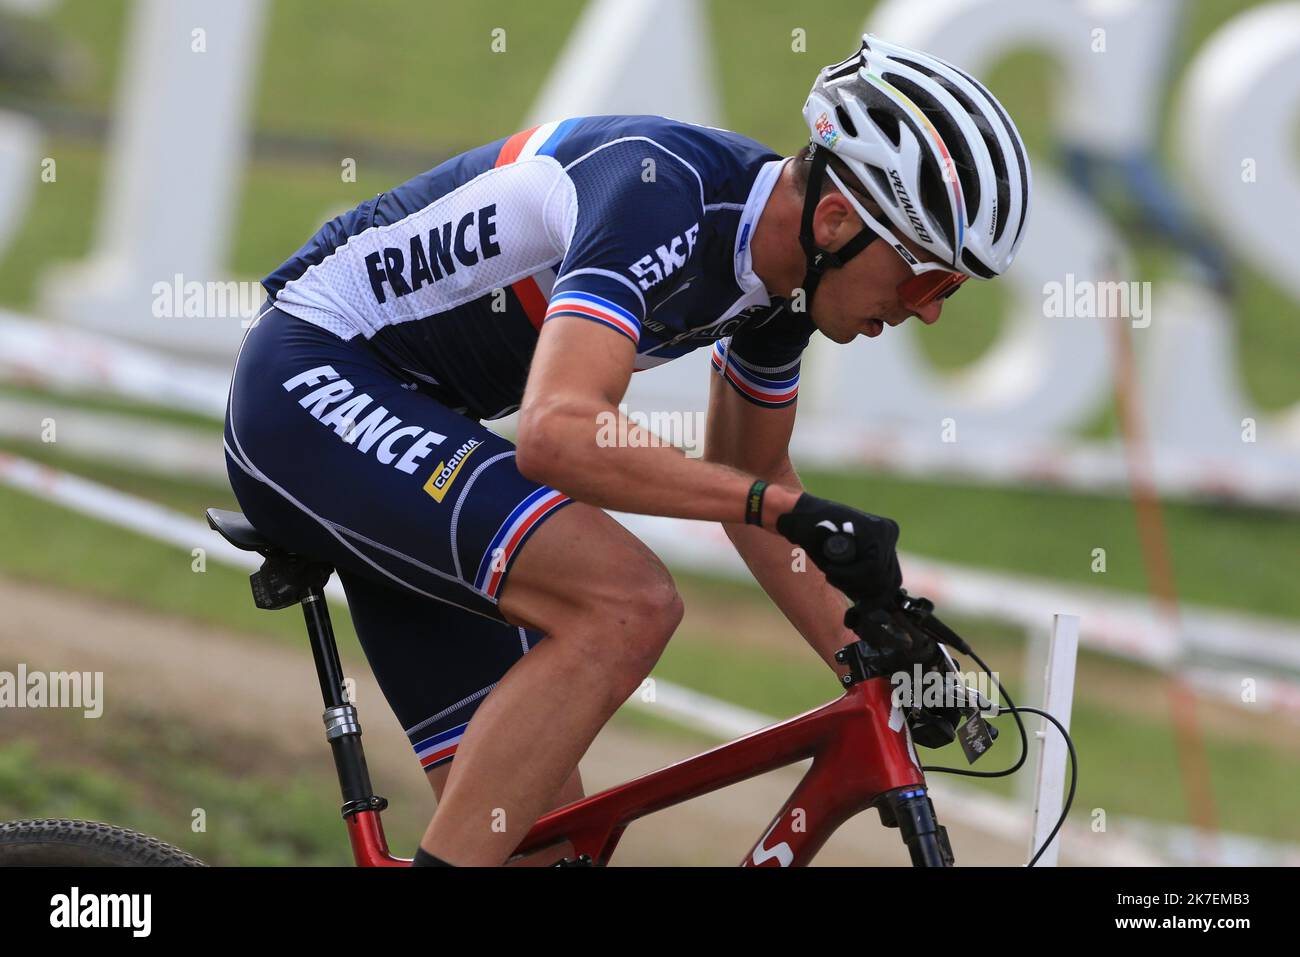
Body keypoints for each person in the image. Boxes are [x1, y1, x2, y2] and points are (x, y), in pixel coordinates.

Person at [222, 33, 1031, 866]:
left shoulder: (783, 285)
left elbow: (752, 475)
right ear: (835, 219)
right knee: (628, 602)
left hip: (410, 423)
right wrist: (785, 509)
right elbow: (559, 429)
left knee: (541, 849)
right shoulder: (662, 194)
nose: (927, 310)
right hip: (310, 380)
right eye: (927, 279)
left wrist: (873, 651)